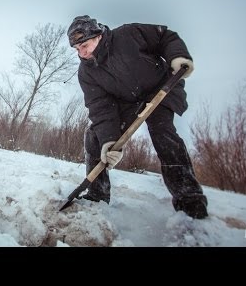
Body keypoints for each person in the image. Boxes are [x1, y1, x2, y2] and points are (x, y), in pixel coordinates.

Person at [67, 15, 208, 219]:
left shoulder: (128, 35)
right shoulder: (87, 72)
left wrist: (178, 57)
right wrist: (109, 140)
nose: (82, 53)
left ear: (97, 35)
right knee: (94, 136)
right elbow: (100, 107)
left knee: (162, 133)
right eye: (77, 49)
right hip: (127, 101)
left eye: (85, 45)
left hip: (160, 88)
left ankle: (190, 202)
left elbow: (166, 37)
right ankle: (97, 194)